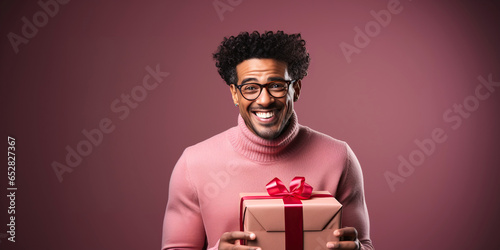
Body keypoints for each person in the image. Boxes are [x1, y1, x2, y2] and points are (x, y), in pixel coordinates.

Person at [162, 31, 374, 250]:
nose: (264, 100)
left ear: (296, 89)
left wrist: (356, 249)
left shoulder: (339, 158)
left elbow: (364, 244)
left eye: (276, 85)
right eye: (251, 88)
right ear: (235, 94)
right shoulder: (194, 163)